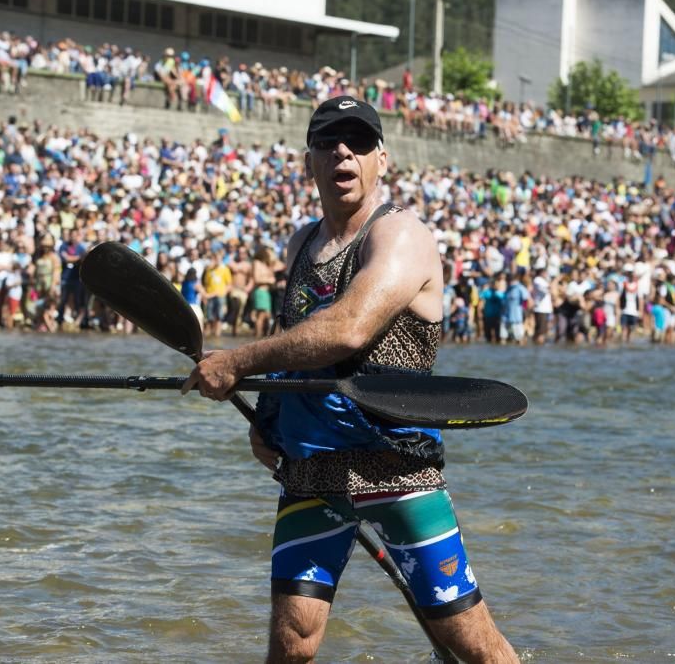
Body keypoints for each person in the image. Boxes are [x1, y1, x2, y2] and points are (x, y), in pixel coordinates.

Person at [182, 97, 520, 663]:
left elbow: (347, 330)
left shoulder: (402, 234)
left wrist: (235, 360)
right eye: (328, 142)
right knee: (292, 643)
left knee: (470, 644)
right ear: (308, 161)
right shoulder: (301, 245)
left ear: (381, 159)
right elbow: (292, 343)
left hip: (396, 468)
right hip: (310, 472)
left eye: (358, 142)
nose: (343, 151)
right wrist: (267, 419)